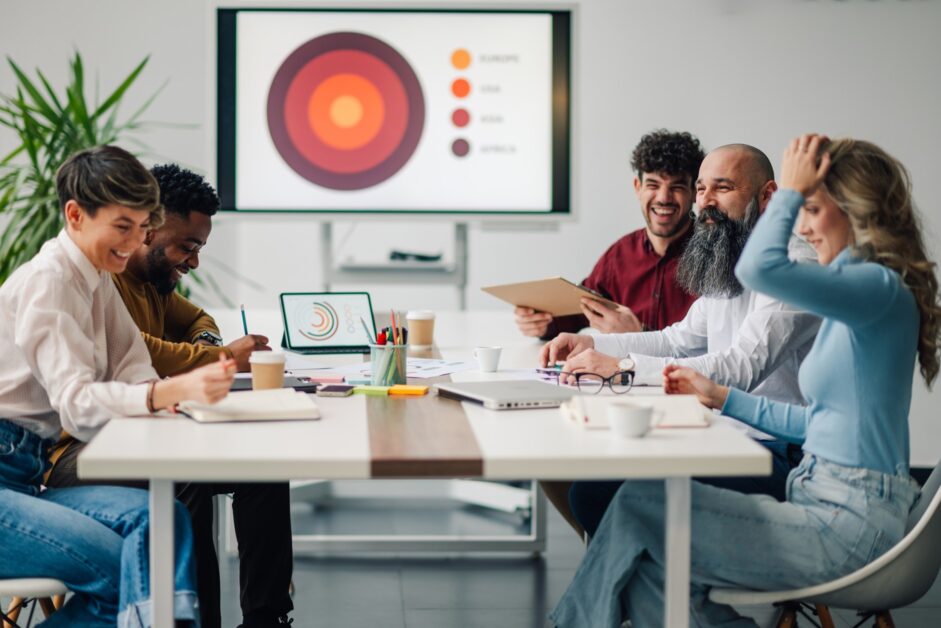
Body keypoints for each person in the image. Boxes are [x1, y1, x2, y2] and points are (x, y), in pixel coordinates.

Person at [549, 134, 937, 627]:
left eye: (813, 209)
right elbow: (817, 420)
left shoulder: (872, 287)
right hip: (816, 493)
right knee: (645, 550)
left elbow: (759, 267)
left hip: (849, 522)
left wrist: (790, 190)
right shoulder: (853, 296)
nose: (804, 226)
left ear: (856, 212)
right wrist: (724, 398)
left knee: (637, 510)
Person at [45, 164, 294, 628]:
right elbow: (139, 350)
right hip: (76, 449)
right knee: (187, 478)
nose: (194, 261)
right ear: (150, 229)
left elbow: (196, 320)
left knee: (264, 468)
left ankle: (268, 619)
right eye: (188, 246)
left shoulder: (156, 283)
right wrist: (218, 359)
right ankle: (197, 622)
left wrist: (205, 350)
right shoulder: (98, 280)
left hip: (135, 429)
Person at [0, 145, 238, 626]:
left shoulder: (97, 278)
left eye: (142, 228)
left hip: (24, 476)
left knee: (162, 520)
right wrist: (168, 394)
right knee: (124, 575)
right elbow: (77, 405)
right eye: (122, 227)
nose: (133, 244)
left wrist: (173, 404)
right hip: (11, 475)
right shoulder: (50, 282)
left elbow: (133, 369)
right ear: (76, 215)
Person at [541, 144, 821, 537]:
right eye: (702, 188)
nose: (705, 202)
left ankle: (676, 588)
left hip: (782, 455)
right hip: (726, 434)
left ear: (768, 196)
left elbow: (739, 368)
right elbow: (680, 339)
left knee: (604, 494)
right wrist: (595, 347)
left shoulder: (793, 267)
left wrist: (623, 368)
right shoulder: (732, 255)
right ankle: (663, 589)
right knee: (591, 490)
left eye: (722, 188)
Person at [515, 130, 703, 338]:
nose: (663, 198)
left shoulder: (716, 258)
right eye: (653, 185)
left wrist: (639, 335)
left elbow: (718, 350)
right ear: (637, 187)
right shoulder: (620, 254)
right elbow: (581, 309)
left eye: (676, 187)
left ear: (695, 192)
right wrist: (542, 322)